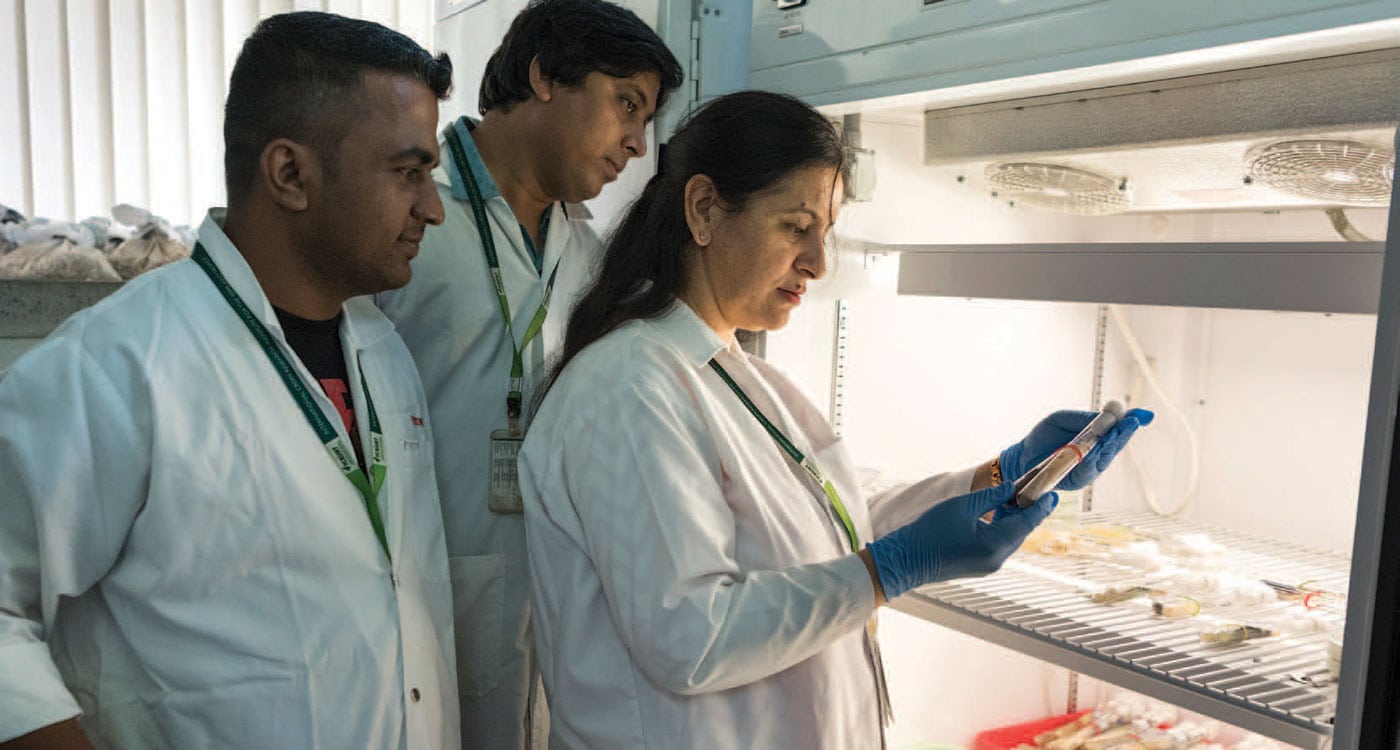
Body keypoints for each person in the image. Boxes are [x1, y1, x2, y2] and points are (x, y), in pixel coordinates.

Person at [517, 91, 1154, 749]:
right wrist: (885, 571)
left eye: (826, 232)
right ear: (704, 210)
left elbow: (833, 523)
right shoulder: (629, 388)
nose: (819, 264)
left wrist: (1000, 477)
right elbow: (689, 636)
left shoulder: (734, 373)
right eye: (796, 227)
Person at [0, 13, 458, 749]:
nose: (432, 208)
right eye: (408, 172)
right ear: (290, 173)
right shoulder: (122, 364)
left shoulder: (384, 355)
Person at [374, 1, 682, 746]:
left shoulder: (585, 252)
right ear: (546, 76)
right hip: (411, 591)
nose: (637, 145)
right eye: (626, 105)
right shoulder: (409, 211)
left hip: (548, 590)